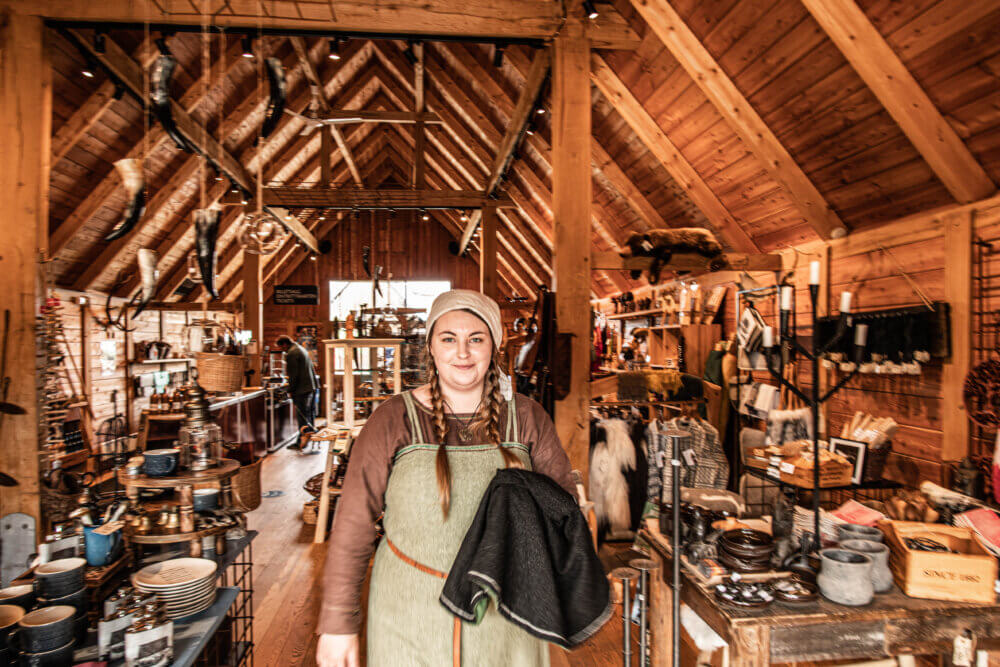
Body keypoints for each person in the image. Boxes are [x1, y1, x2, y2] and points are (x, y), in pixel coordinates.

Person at [316, 290, 576, 667]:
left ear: (494, 347)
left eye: (476, 339)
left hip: (505, 619)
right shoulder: (392, 420)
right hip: (409, 616)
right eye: (449, 339)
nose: (462, 353)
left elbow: (564, 514)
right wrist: (338, 622)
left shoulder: (527, 418)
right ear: (431, 348)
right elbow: (353, 523)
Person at [275, 335, 318, 449]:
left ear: (285, 344)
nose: (282, 350)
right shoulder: (300, 348)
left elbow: (294, 375)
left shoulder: (292, 353)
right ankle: (309, 438)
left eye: (281, 347)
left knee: (302, 417)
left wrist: (290, 390)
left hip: (301, 389)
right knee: (309, 415)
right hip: (311, 386)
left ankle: (301, 442)